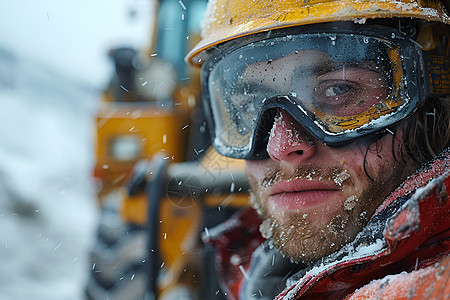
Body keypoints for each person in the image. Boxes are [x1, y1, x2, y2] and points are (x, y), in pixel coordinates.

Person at [185, 0, 450, 299]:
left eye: (338, 90)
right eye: (249, 106)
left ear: (433, 105)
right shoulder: (253, 267)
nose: (281, 147)